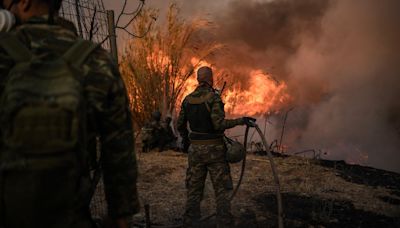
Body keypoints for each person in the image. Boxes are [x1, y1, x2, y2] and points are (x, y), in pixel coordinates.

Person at [0, 0, 139, 227]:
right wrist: (121, 214)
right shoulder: (96, 60)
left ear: (24, 2)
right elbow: (119, 148)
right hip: (71, 215)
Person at [177, 66, 255, 227]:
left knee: (194, 188)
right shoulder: (213, 98)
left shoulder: (187, 99)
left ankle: (191, 220)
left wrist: (186, 141)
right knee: (221, 189)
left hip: (195, 151)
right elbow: (219, 125)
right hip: (215, 151)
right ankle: (224, 221)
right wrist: (241, 121)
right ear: (210, 79)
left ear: (198, 79)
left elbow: (180, 125)